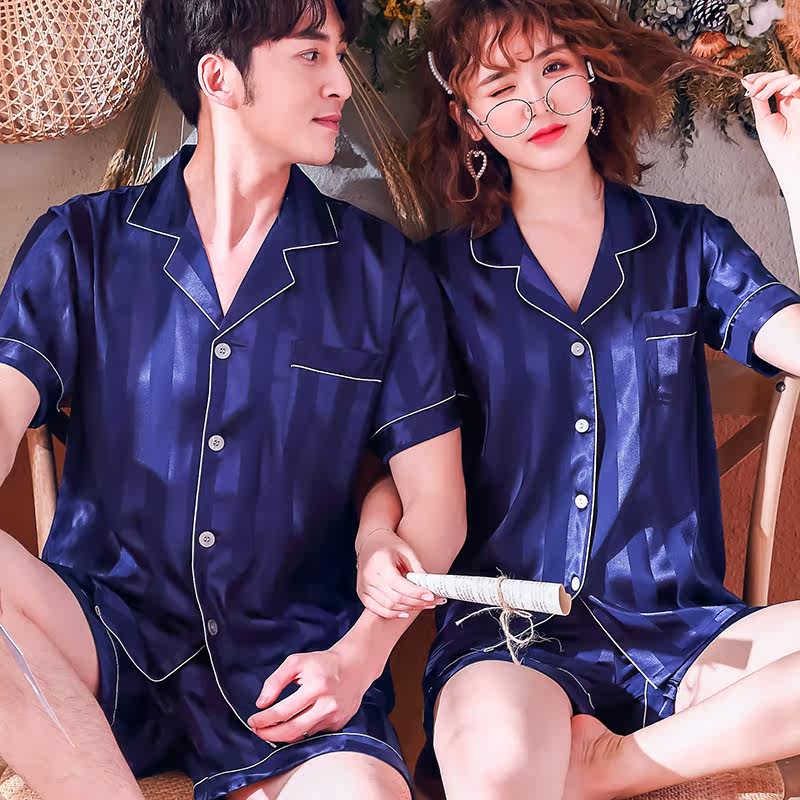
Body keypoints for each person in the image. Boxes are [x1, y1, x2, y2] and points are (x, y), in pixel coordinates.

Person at [0, 0, 468, 798]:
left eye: (340, 52)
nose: (341, 83)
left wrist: (358, 660)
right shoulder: (82, 243)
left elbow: (438, 503)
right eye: (311, 55)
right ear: (219, 78)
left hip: (293, 670)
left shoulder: (381, 271)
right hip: (102, 643)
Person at [355, 0, 800, 797]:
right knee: (495, 772)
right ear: (467, 119)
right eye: (502, 88)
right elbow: (418, 457)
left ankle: (610, 766)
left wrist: (797, 174)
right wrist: (374, 536)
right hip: (510, 634)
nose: (539, 104)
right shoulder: (437, 279)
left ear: (592, 75)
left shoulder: (689, 241)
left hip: (686, 632)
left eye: (555, 69)